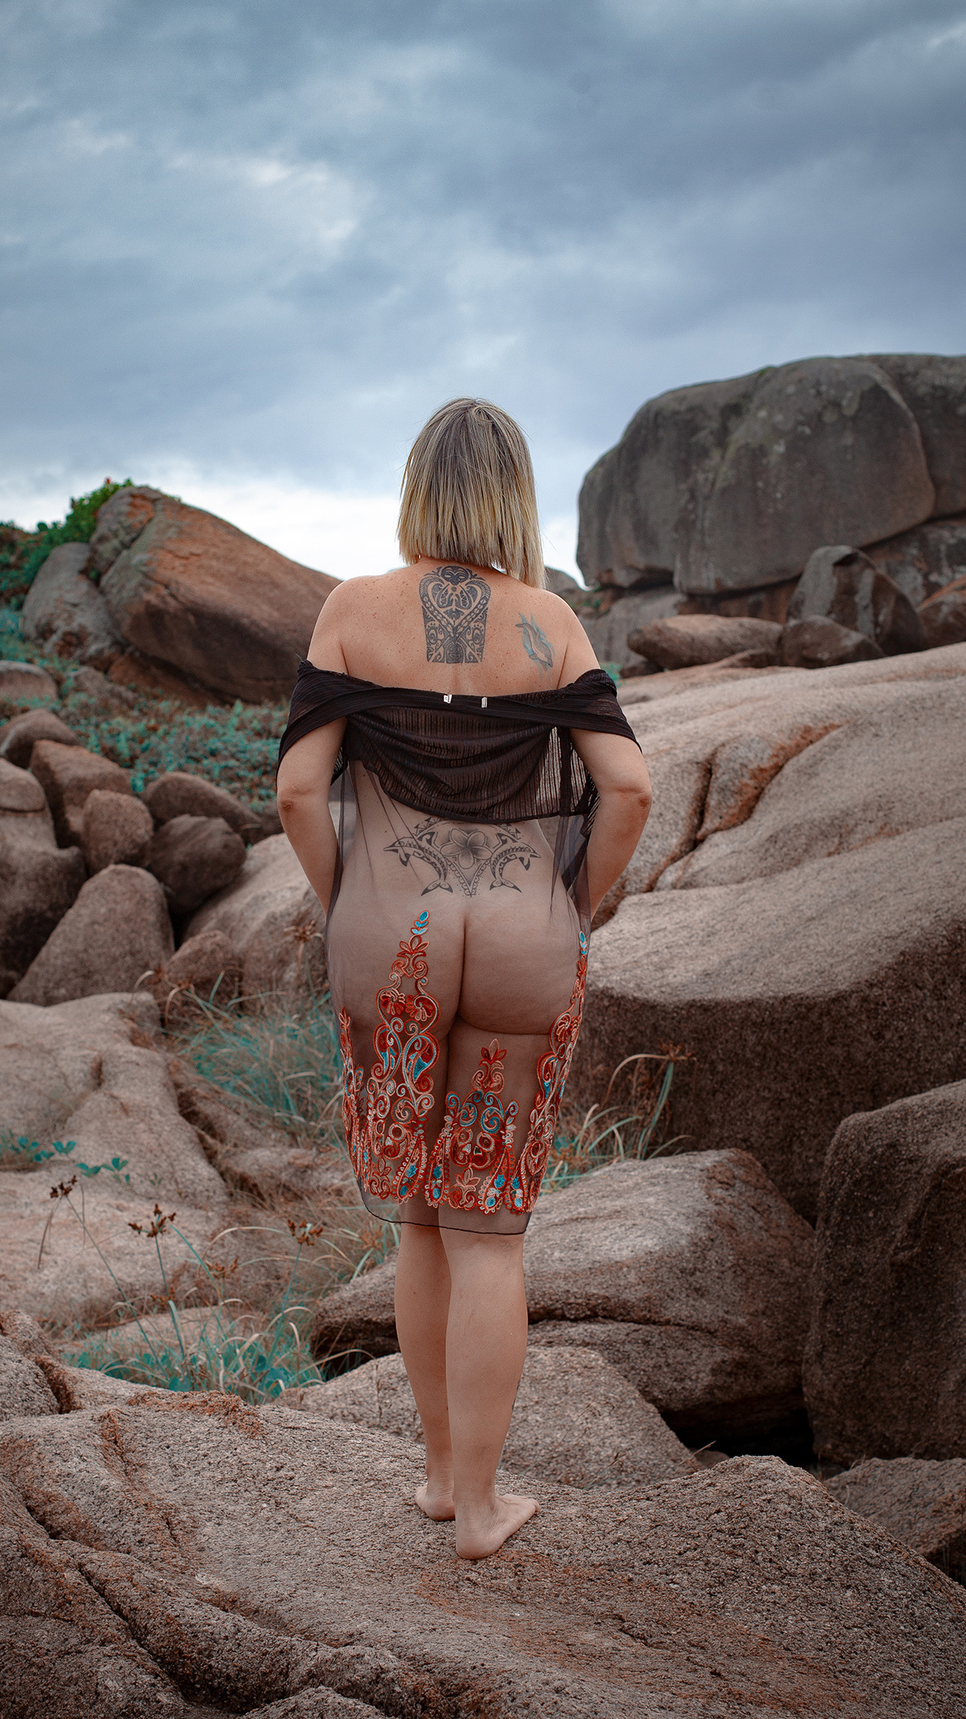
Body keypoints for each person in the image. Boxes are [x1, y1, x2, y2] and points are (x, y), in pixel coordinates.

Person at [276, 397, 651, 1560]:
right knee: (487, 1231)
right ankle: (484, 1510)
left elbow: (297, 792)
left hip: (387, 942)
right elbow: (628, 788)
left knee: (419, 1226)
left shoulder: (353, 611)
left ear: (414, 490)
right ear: (513, 497)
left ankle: (439, 1482)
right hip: (526, 944)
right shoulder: (551, 623)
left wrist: (349, 898)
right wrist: (570, 905)